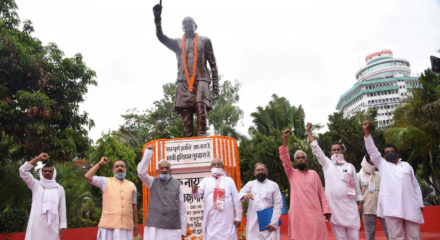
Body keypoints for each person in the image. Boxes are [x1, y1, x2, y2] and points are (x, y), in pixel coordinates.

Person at [153, 4, 219, 137]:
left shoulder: (205, 41)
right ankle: (188, 140)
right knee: (186, 110)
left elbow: (213, 64)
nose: (187, 25)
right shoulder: (177, 43)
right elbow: (161, 37)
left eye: (190, 23)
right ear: (182, 27)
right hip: (183, 81)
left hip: (201, 79)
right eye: (184, 23)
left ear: (196, 25)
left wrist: (216, 87)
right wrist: (157, 18)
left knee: (201, 105)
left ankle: (201, 136)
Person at [363, 121, 424, 240]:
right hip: (391, 207)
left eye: (392, 151)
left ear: (397, 153)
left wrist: (420, 203)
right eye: (387, 152)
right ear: (384, 156)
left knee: (415, 236)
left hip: (410, 205)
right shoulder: (382, 164)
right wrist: (367, 132)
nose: (390, 154)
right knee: (396, 237)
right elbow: (372, 150)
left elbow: (415, 186)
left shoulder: (406, 166)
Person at [306, 123, 363, 240]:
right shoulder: (327, 164)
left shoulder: (350, 166)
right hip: (335, 208)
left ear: (342, 151)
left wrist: (360, 203)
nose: (336, 152)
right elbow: (316, 149)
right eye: (334, 150)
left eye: (338, 149)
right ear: (330, 152)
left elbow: (356, 186)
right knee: (340, 237)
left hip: (350, 207)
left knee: (354, 237)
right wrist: (309, 132)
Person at [280, 129, 331, 240]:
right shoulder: (292, 173)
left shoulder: (313, 174)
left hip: (314, 214)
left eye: (303, 157)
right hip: (298, 215)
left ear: (306, 159)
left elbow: (321, 193)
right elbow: (284, 158)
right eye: (298, 158)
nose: (301, 159)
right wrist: (285, 139)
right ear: (295, 161)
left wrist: (326, 209)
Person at [137, 146, 187, 240]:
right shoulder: (152, 182)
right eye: (162, 168)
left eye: (166, 168)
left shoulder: (178, 185)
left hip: (172, 227)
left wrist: (183, 229)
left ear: (170, 170)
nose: (164, 170)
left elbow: (182, 207)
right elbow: (141, 172)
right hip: (155, 227)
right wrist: (148, 154)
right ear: (158, 170)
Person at [84, 157, 139, 240]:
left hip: (125, 227)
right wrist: (99, 164)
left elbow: (134, 205)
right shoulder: (105, 181)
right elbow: (88, 176)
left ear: (125, 169)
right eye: (117, 166)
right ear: (113, 170)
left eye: (122, 166)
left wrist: (136, 223)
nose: (119, 168)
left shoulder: (132, 185)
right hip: (107, 227)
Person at [19, 153, 67, 240]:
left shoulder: (59, 188)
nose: (47, 173)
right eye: (45, 171)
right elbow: (22, 170)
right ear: (42, 173)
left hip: (52, 226)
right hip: (36, 225)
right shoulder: (35, 184)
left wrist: (62, 226)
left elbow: (62, 208)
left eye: (50, 171)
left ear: (54, 173)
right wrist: (38, 158)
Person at [191, 158, 242, 240]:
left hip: (227, 219)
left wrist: (238, 217)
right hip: (211, 220)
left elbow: (236, 200)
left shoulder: (229, 181)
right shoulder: (205, 181)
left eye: (218, 164)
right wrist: (194, 190)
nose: (216, 165)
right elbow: (197, 195)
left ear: (223, 167)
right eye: (214, 164)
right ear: (210, 167)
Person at [239, 163, 283, 240]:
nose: (260, 171)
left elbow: (278, 205)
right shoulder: (250, 184)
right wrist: (245, 195)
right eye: (258, 170)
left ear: (267, 172)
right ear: (254, 173)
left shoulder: (273, 185)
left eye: (262, 170)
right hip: (253, 221)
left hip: (269, 221)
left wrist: (274, 222)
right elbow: (240, 194)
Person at [357, 154, 389, 240]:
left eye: (374, 162)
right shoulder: (358, 176)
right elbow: (357, 193)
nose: (373, 164)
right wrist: (359, 205)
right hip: (367, 208)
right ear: (366, 161)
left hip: (382, 207)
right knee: (370, 234)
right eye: (371, 162)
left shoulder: (380, 174)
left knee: (389, 230)